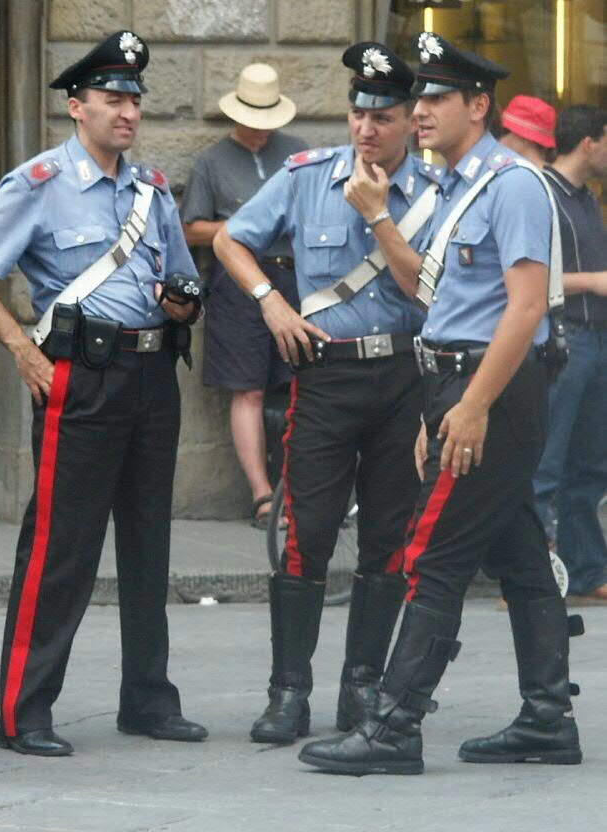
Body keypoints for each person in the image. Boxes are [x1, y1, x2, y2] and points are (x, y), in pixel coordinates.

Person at [300, 32, 583, 775]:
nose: (418, 110)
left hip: (492, 383)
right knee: (520, 553)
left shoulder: (513, 183)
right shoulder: (462, 186)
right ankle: (548, 716)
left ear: (477, 106)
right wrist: (444, 404)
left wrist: (472, 406)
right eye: (417, 96)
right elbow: (434, 295)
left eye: (434, 97)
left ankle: (393, 728)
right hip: (458, 382)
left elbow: (524, 310)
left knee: (432, 556)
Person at [0, 30, 206, 757]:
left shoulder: (150, 190)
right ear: (76, 106)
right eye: (113, 99)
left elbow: (182, 282)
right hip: (82, 380)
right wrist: (21, 349)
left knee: (150, 547)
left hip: (154, 374)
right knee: (62, 548)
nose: (127, 112)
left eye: (134, 101)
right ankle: (25, 711)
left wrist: (183, 303)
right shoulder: (38, 183)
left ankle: (148, 700)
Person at [213, 43, 437, 745]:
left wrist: (379, 216)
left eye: (385, 115)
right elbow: (230, 240)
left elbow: (429, 290)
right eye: (357, 112)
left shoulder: (439, 190)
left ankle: (362, 686)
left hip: (405, 375)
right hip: (328, 372)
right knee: (305, 534)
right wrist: (271, 305)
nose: (367, 128)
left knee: (388, 539)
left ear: (410, 121)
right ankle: (289, 691)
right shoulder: (308, 174)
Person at [182, 63, 306, 528]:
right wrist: (243, 230)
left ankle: (300, 488)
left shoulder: (298, 155)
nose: (259, 127)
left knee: (302, 386)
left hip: (293, 276)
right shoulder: (211, 162)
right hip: (235, 283)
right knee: (248, 388)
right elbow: (192, 228)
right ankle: (261, 494)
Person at [532, 105, 607, 604]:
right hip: (563, 338)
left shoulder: (587, 199)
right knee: (547, 464)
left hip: (595, 339)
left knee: (591, 463)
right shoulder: (541, 196)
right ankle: (533, 576)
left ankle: (586, 570)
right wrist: (594, 283)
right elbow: (525, 281)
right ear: (589, 143)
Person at [498, 94, 556, 167]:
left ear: (525, 138)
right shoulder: (511, 169)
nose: (498, 139)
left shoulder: (524, 175)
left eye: (504, 132)